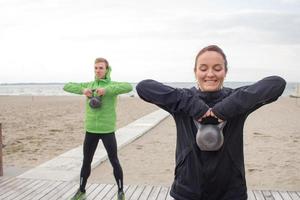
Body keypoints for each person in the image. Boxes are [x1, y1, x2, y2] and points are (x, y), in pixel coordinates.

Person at [136, 45, 286, 200]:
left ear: (225, 72)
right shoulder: (182, 100)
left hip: (230, 192)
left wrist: (223, 110)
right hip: (187, 190)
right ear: (195, 72)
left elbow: (277, 84)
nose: (210, 74)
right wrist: (195, 107)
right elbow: (143, 88)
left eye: (217, 68)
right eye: (203, 68)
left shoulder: (237, 99)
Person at [64, 57, 132, 200]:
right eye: (96, 68)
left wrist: (106, 90)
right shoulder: (89, 85)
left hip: (107, 130)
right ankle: (81, 190)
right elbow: (67, 86)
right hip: (91, 130)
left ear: (107, 69)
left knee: (114, 161)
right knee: (86, 161)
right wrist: (83, 90)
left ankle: (120, 191)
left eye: (101, 68)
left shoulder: (112, 86)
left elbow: (128, 86)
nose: (98, 71)